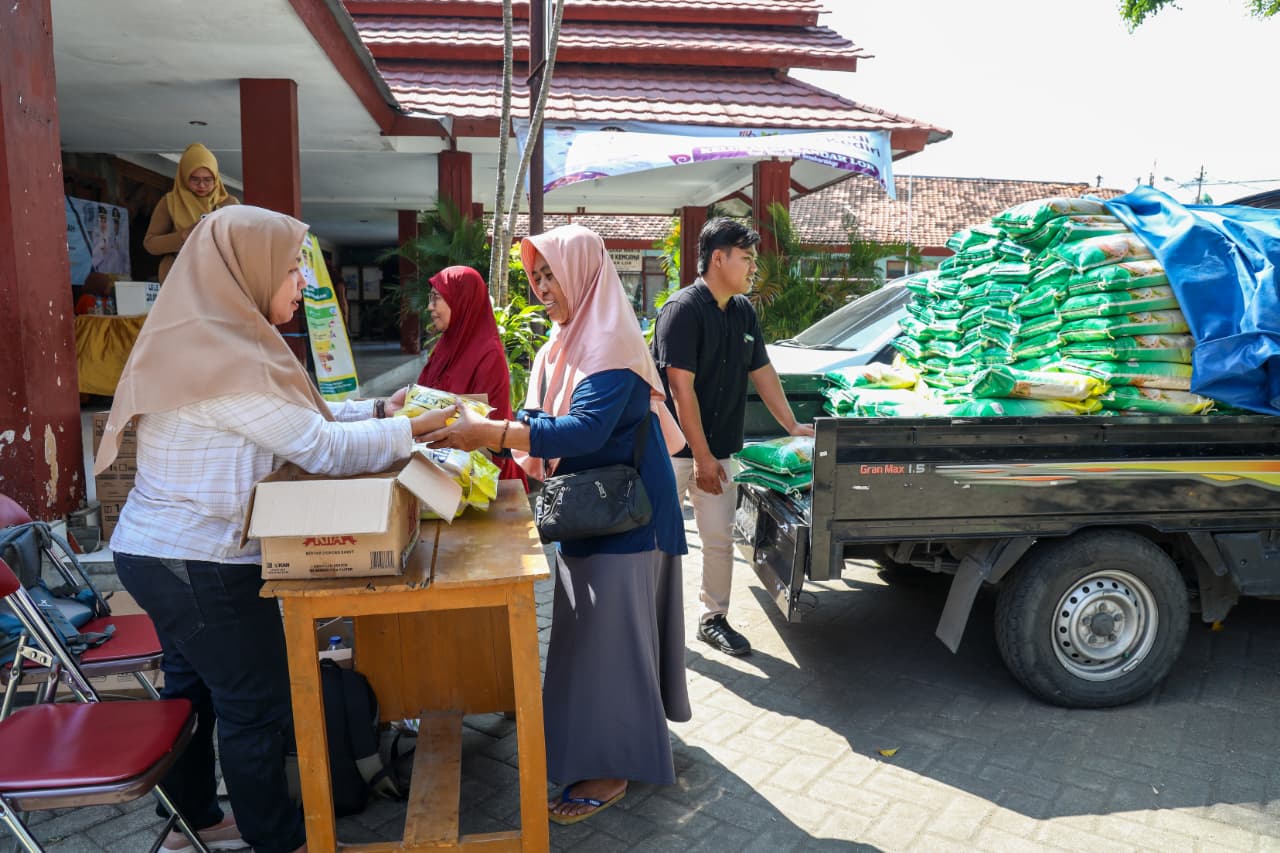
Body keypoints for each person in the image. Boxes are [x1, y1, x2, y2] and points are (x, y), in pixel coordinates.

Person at [93, 205, 455, 853]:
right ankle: (279, 841)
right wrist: (414, 429)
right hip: (200, 563)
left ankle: (195, 822)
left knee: (195, 693)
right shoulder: (224, 358)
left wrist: (380, 407)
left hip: (160, 551)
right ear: (248, 269)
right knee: (252, 706)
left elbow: (299, 417)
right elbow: (321, 448)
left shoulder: (215, 337)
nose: (302, 284)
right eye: (291, 269)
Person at [423, 224, 691, 825]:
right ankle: (601, 741)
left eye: (551, 274)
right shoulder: (564, 342)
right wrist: (484, 421)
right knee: (594, 638)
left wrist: (492, 433)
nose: (543, 287)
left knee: (611, 645)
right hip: (590, 510)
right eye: (536, 276)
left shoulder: (610, 346)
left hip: (627, 517)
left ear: (584, 273)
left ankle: (616, 764)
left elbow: (585, 432)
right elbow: (541, 416)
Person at [650, 217, 815, 657]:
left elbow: (763, 373)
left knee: (719, 538)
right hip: (672, 451)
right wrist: (701, 458)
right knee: (658, 540)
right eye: (746, 258)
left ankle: (713, 619)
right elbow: (680, 390)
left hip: (720, 450)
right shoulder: (681, 310)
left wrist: (792, 426)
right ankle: (646, 623)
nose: (753, 268)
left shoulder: (743, 312)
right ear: (718, 258)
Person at [416, 265, 527, 488]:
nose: (430, 306)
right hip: (443, 471)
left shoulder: (488, 354)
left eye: (436, 298)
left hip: (484, 481)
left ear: (460, 299)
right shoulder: (447, 345)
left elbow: (488, 430)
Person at [144, 142, 240, 283]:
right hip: (180, 277)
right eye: (194, 179)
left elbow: (242, 241)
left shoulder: (229, 204)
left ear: (216, 179)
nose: (201, 185)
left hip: (219, 277)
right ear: (183, 177)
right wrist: (183, 235)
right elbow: (150, 243)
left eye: (208, 180)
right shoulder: (170, 202)